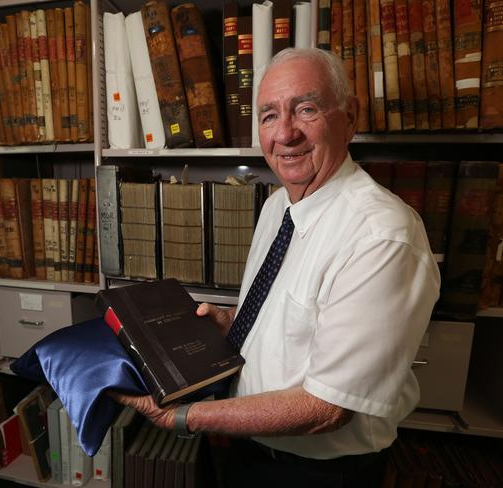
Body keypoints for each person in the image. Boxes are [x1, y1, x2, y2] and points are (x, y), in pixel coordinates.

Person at [111, 48, 440, 486]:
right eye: (269, 116)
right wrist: (233, 325)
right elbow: (288, 323)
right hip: (247, 450)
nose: (285, 134)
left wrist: (183, 416)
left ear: (350, 118)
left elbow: (327, 410)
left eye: (306, 109)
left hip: (318, 474)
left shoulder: (381, 235)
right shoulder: (277, 207)